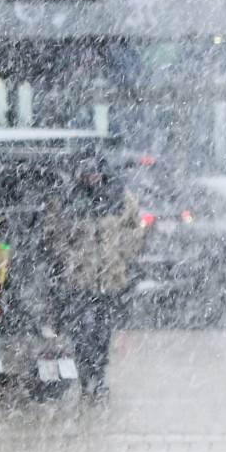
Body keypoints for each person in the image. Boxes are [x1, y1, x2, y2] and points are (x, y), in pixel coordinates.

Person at [44, 158, 145, 399]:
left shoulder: (120, 196)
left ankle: (98, 380)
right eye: (86, 174)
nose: (91, 179)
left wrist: (122, 254)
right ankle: (87, 381)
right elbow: (52, 233)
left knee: (102, 332)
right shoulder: (66, 199)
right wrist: (70, 258)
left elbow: (134, 228)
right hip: (79, 281)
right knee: (83, 332)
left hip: (109, 281)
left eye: (95, 173)